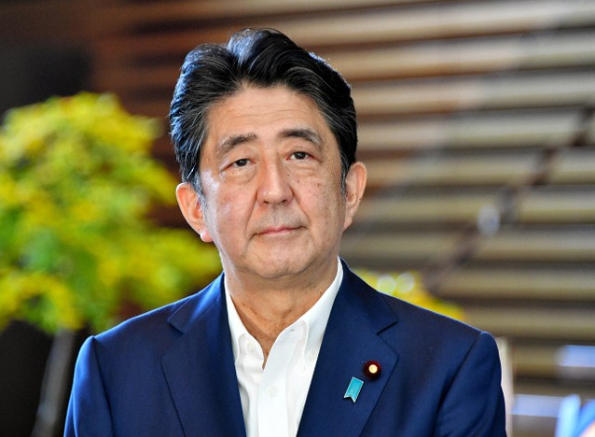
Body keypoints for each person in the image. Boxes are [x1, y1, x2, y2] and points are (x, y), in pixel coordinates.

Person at [64, 28, 506, 436]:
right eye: (241, 162)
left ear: (350, 191)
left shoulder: (450, 368)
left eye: (299, 155)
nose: (275, 191)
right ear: (196, 209)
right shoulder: (116, 371)